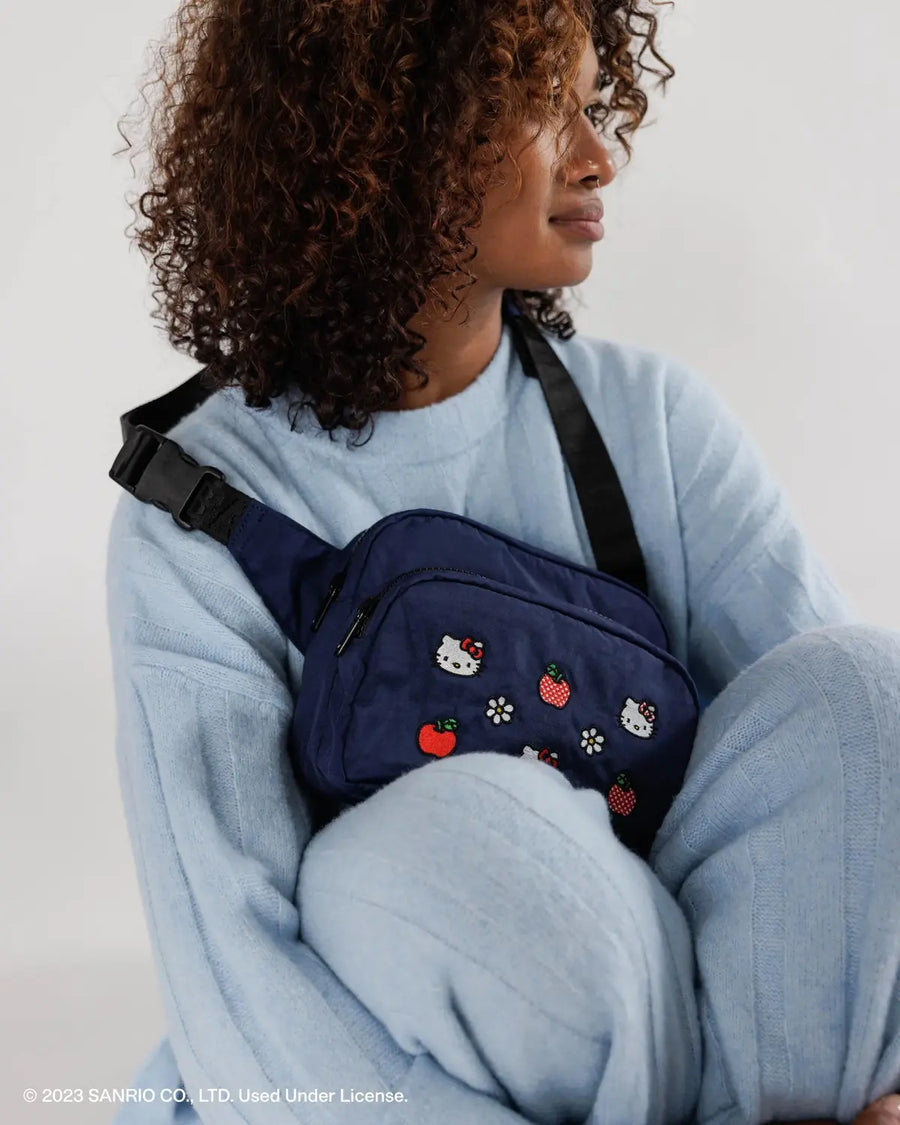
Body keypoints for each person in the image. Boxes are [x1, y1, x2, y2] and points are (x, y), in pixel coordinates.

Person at [106, 1, 900, 1122]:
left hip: (690, 1046)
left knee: (868, 690)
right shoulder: (198, 507)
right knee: (485, 836)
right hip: (361, 1089)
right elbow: (237, 983)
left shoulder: (654, 421)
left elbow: (852, 818)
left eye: (594, 103)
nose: (599, 157)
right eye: (541, 106)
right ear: (387, 130)